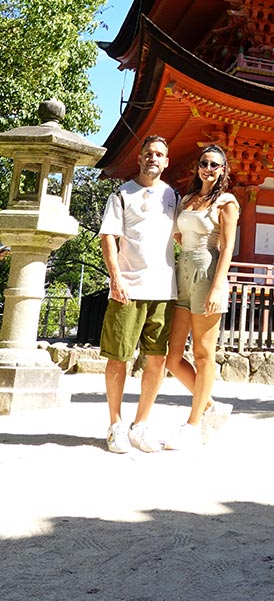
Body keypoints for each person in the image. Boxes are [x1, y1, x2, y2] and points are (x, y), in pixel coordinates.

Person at [99, 135, 178, 453]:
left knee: (157, 360)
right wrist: (115, 278)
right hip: (127, 288)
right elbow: (108, 237)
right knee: (118, 358)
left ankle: (140, 425)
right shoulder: (122, 194)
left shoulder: (172, 196)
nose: (153, 158)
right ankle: (115, 424)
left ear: (167, 161)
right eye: (148, 153)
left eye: (159, 154)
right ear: (139, 158)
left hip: (164, 290)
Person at [164, 143, 239, 450]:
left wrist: (219, 285)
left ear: (223, 171)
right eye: (204, 163)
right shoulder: (187, 199)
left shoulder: (226, 203)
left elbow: (228, 246)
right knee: (172, 357)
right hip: (182, 270)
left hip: (207, 271)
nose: (208, 169)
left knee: (203, 353)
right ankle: (210, 406)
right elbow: (179, 235)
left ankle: (193, 423)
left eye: (215, 165)